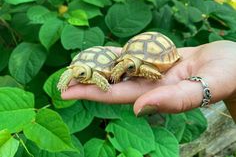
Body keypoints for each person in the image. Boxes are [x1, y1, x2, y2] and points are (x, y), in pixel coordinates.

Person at [61, 40, 236, 122]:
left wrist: (156, 74)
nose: (125, 70)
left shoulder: (143, 67)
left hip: (153, 55)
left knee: (139, 67)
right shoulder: (79, 70)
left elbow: (141, 68)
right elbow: (71, 72)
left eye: (129, 69)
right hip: (127, 57)